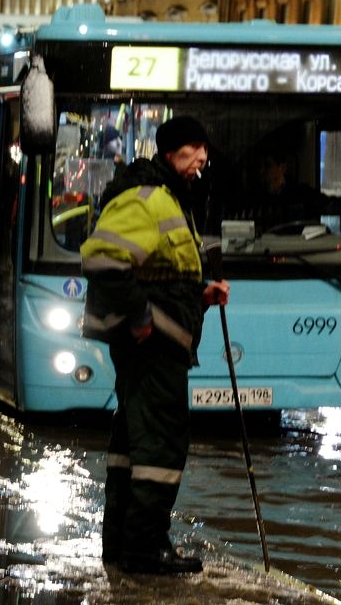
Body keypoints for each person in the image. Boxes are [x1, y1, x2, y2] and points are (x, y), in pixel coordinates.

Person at [80, 115, 230, 575]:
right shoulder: (147, 197)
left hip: (158, 342)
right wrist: (141, 316)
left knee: (134, 445)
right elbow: (102, 259)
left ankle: (122, 545)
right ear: (169, 153)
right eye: (192, 148)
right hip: (152, 345)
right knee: (162, 444)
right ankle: (145, 549)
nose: (201, 157)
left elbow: (163, 275)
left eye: (204, 149)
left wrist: (201, 295)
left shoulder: (171, 197)